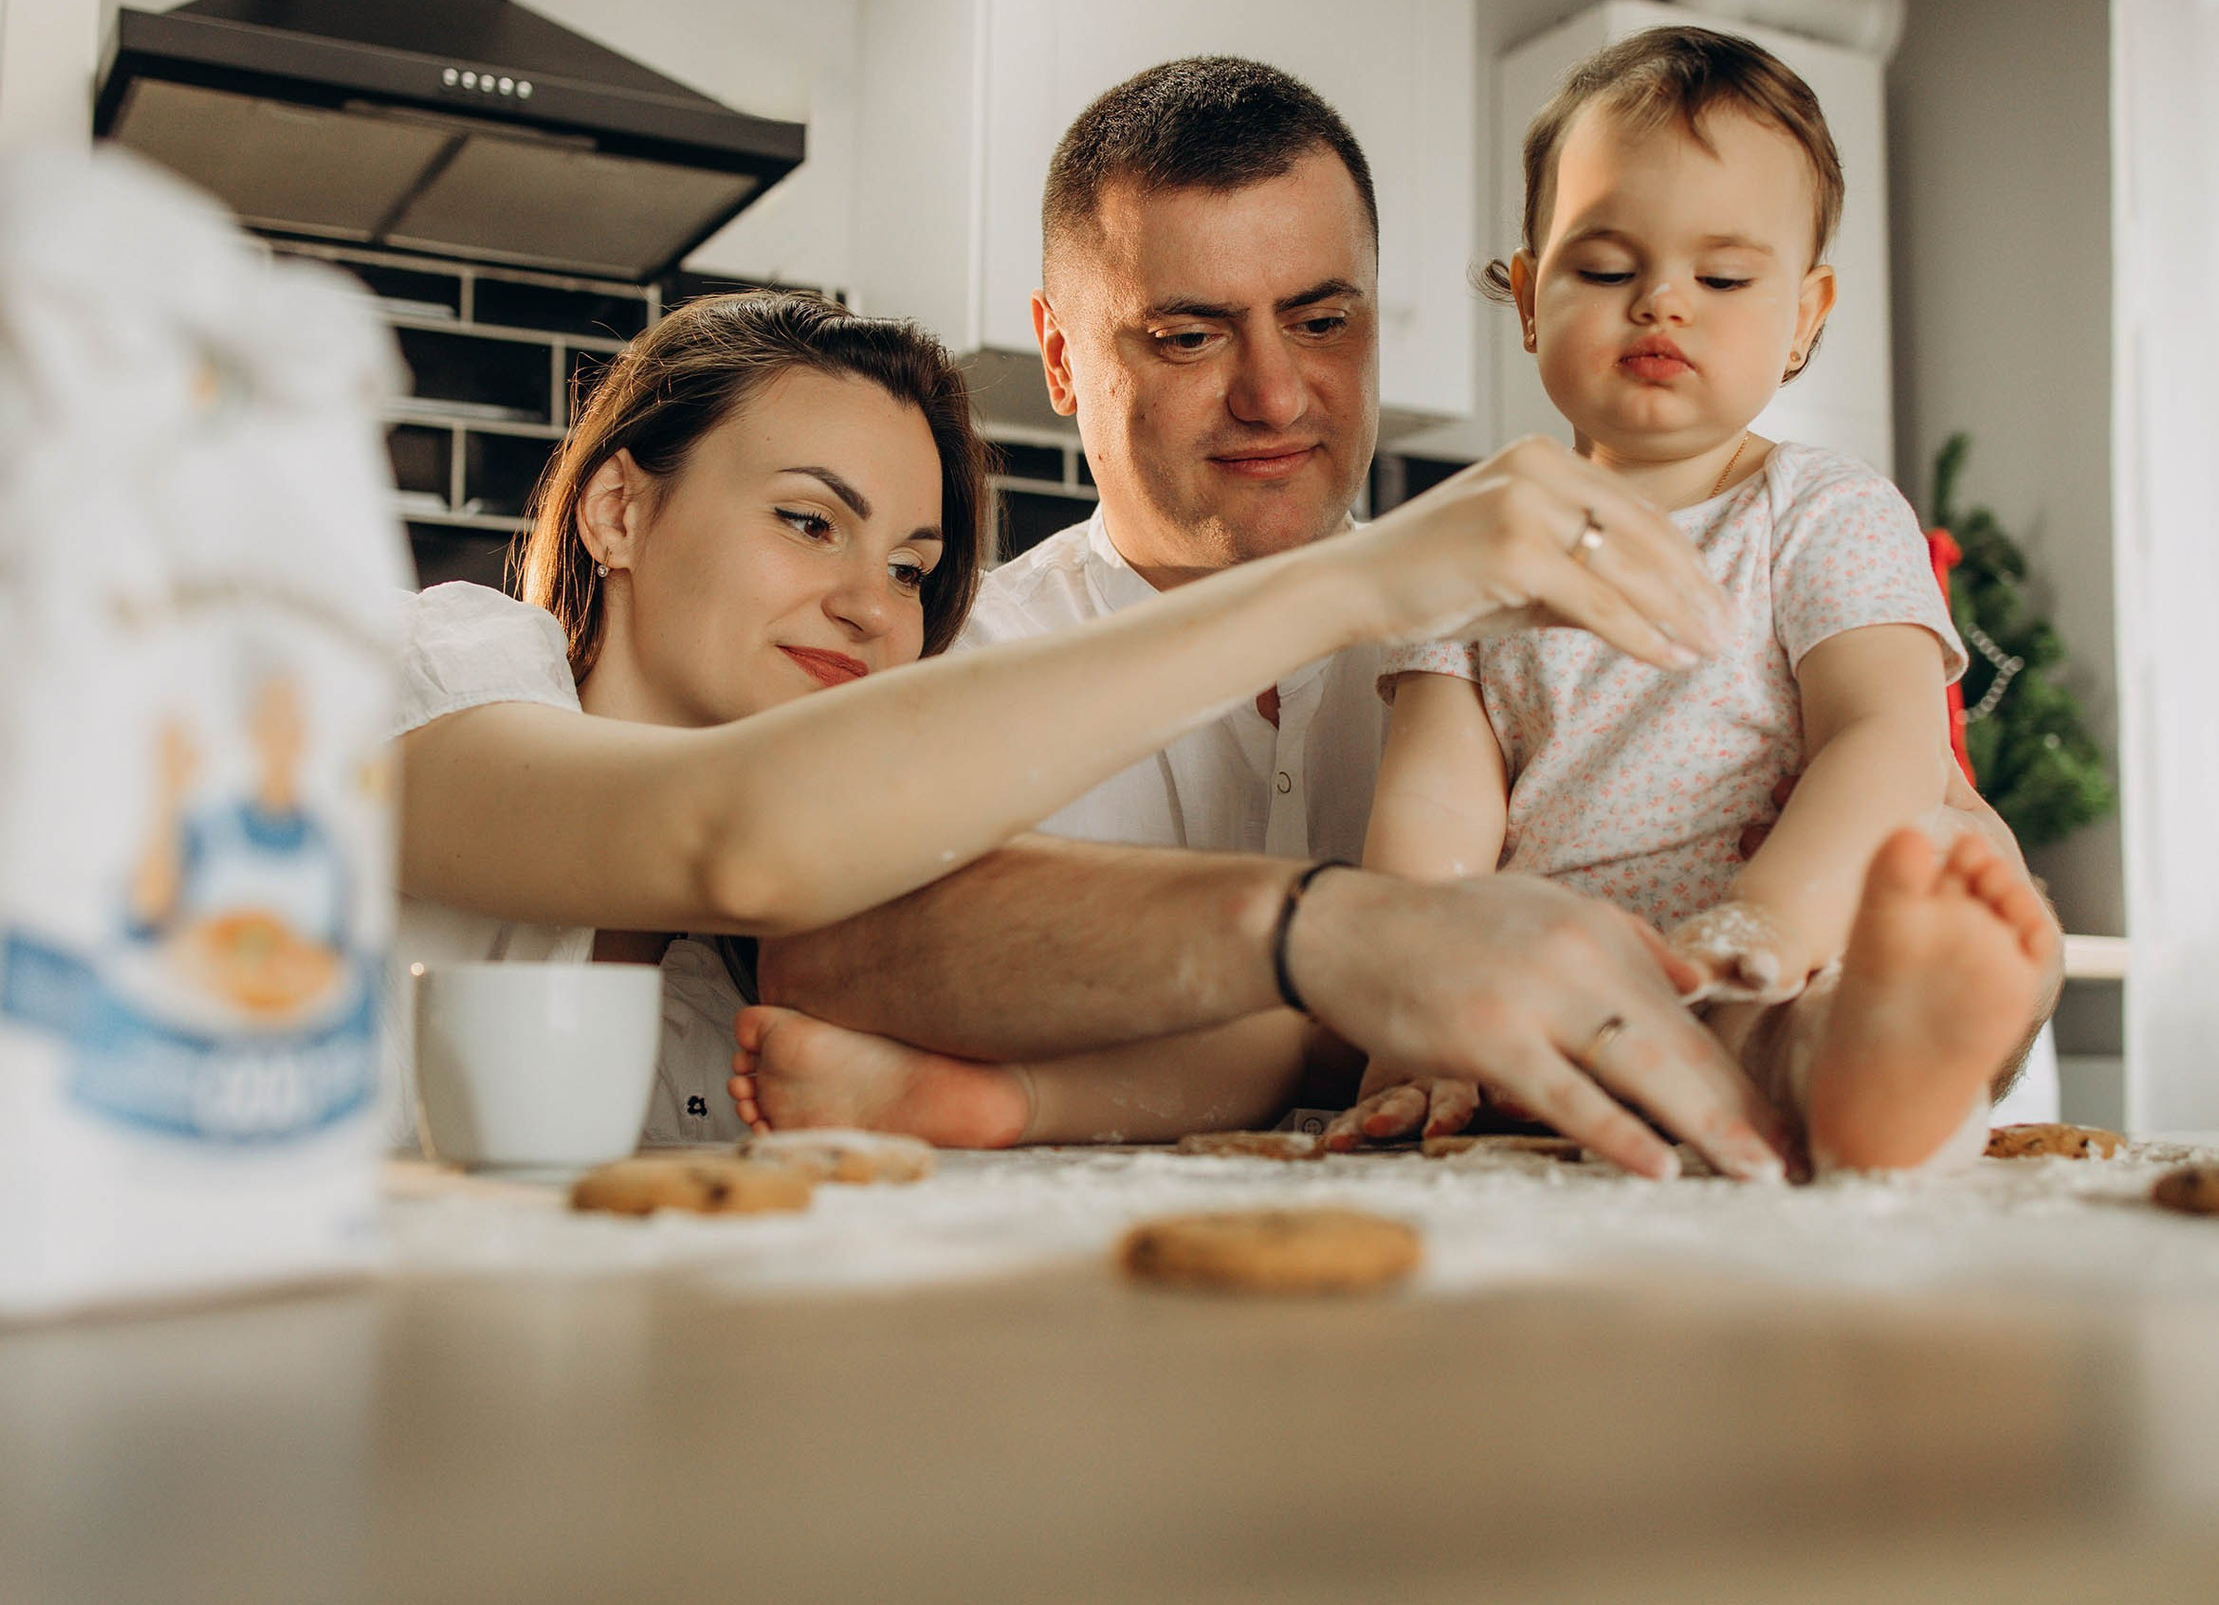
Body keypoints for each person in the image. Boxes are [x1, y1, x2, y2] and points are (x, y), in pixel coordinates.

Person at [733, 55, 2063, 1179]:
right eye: (1189, 337)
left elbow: (1900, 795)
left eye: (1322, 320)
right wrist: (1381, 977)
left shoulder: (1561, 558)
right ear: (1062, 348)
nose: (1273, 394)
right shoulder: (970, 646)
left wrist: (1894, 908)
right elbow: (822, 934)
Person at [384, 288, 1773, 1157]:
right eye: (810, 520)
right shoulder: (451, 665)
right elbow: (726, 830)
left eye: (914, 568)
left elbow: (1118, 990)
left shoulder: (794, 940)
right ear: (621, 508)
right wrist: (1354, 579)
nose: (874, 610)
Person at [1361, 26, 2055, 1172]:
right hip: (1558, 994)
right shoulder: (1476, 537)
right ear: (1529, 298)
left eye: (1723, 277)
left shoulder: (1820, 509)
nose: (1662, 304)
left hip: (1761, 975)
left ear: (1806, 315)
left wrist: (1766, 925)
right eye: (1605, 269)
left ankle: (1877, 1063)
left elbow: (1884, 735)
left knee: (1831, 963)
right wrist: (1413, 1010)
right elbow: (1433, 806)